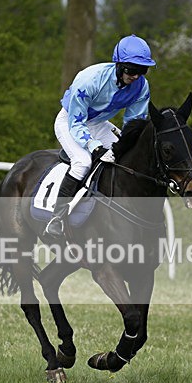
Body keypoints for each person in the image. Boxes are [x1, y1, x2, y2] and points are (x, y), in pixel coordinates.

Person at [45, 34, 155, 238]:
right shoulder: (89, 79)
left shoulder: (141, 87)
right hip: (70, 121)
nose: (137, 76)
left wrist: (122, 147)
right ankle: (56, 217)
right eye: (132, 70)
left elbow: (134, 125)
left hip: (99, 124)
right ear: (119, 65)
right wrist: (95, 147)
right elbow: (76, 122)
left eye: (143, 70)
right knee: (82, 162)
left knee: (126, 159)